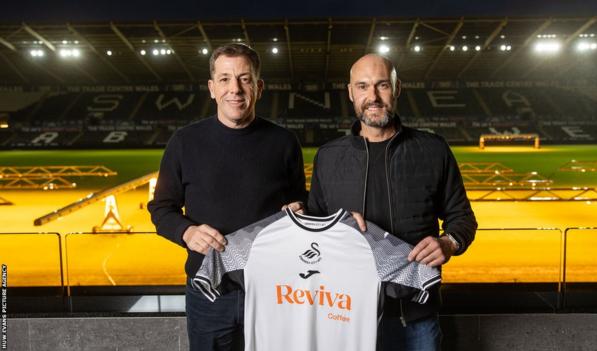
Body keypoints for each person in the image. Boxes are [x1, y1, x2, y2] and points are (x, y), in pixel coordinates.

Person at [307, 54, 477, 351]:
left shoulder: (432, 149)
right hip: (342, 317)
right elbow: (313, 233)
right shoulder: (328, 156)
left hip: (415, 318)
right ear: (350, 93)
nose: (372, 96)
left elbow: (462, 218)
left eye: (382, 85)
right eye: (362, 86)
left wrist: (448, 243)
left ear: (397, 89)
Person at [148, 43, 306, 351]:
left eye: (245, 79)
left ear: (259, 87)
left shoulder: (284, 143)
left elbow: (302, 201)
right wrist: (186, 231)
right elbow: (161, 209)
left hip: (272, 290)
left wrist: (302, 208)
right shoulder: (184, 142)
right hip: (208, 293)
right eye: (224, 79)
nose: (235, 89)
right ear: (211, 87)